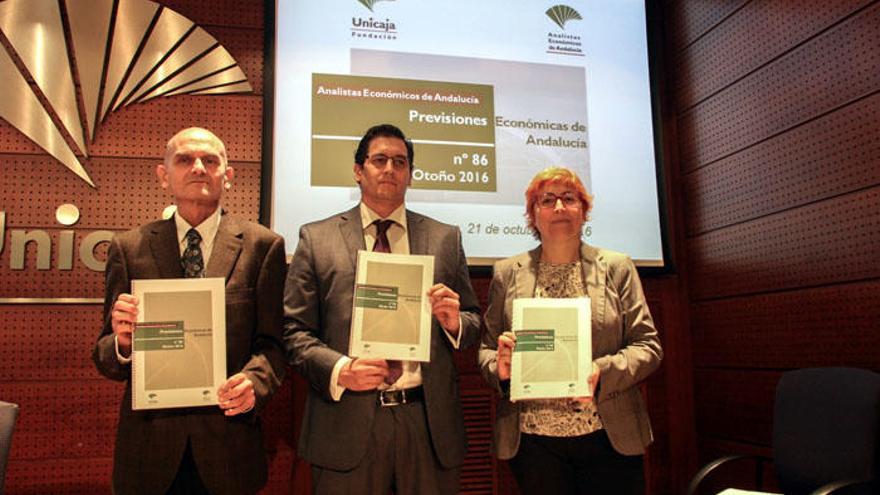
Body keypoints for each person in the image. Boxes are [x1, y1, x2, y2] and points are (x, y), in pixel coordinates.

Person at [283, 123, 481, 494]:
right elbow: (294, 332)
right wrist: (342, 370)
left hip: (426, 422)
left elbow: (473, 321)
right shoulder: (317, 237)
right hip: (346, 421)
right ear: (359, 171)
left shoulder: (445, 237)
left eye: (400, 162)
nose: (390, 168)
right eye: (379, 160)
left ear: (410, 174)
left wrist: (455, 322)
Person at [92, 127, 287, 495]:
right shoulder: (129, 248)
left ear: (227, 176)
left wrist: (254, 383)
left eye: (210, 160)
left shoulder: (263, 247)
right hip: (149, 450)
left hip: (229, 447)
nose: (198, 167)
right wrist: (122, 342)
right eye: (185, 160)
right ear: (164, 176)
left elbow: (274, 347)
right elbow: (105, 357)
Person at [479, 166, 663, 495]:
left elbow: (648, 347)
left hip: (608, 435)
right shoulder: (507, 272)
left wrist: (601, 371)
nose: (560, 207)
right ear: (533, 215)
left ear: (584, 211)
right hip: (534, 442)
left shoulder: (617, 267)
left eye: (569, 198)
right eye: (547, 200)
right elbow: (487, 349)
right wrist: (502, 369)